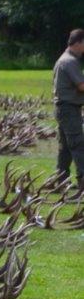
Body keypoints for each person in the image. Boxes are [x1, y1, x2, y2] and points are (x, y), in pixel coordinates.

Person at [53, 28, 84, 192]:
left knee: (65, 148)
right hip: (69, 109)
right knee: (78, 145)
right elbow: (81, 86)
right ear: (78, 42)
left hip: (64, 109)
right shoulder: (70, 61)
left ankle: (61, 181)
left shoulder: (64, 59)